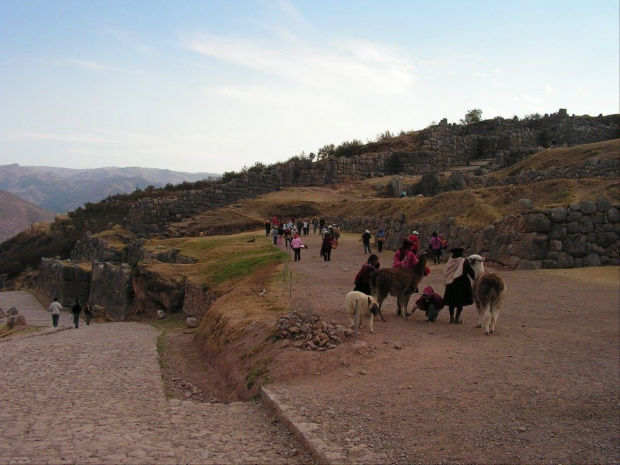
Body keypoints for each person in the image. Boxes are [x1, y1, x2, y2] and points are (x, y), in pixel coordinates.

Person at [443, 247, 476, 324]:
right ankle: (457, 318)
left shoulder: (450, 261)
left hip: (451, 284)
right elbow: (471, 273)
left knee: (451, 301)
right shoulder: (463, 261)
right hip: (462, 284)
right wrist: (476, 280)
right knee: (460, 301)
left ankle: (451, 317)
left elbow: (446, 272)